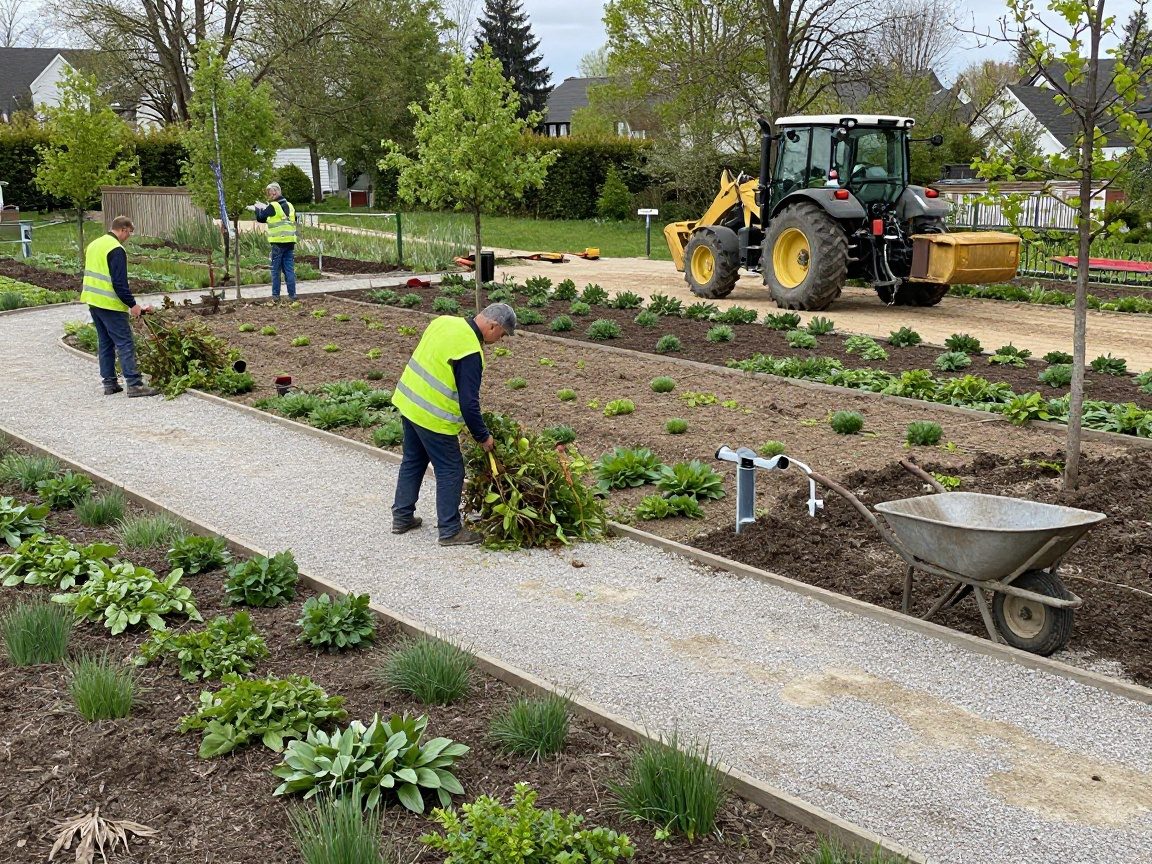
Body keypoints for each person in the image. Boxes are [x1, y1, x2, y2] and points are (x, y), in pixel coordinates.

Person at [390, 303, 517, 546]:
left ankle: (402, 517)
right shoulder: (470, 351)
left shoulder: (444, 321)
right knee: (451, 469)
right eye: (501, 335)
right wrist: (483, 436)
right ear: (493, 326)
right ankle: (449, 530)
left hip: (409, 402)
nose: (498, 341)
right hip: (433, 417)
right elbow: (470, 404)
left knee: (413, 460)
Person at [80, 215, 158, 398]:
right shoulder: (116, 249)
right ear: (123, 229)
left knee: (105, 343)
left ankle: (110, 383)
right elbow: (119, 283)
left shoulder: (94, 244)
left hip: (93, 301)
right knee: (125, 343)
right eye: (129, 232)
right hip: (110, 304)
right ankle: (134, 385)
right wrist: (133, 305)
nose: (129, 236)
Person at [253, 182, 297, 300]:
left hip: (278, 242)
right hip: (290, 242)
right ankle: (292, 295)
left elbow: (261, 218)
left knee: (275, 270)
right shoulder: (290, 205)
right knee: (289, 269)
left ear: (275, 192)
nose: (269, 196)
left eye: (270, 194)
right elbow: (293, 220)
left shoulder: (273, 206)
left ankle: (276, 295)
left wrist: (257, 208)